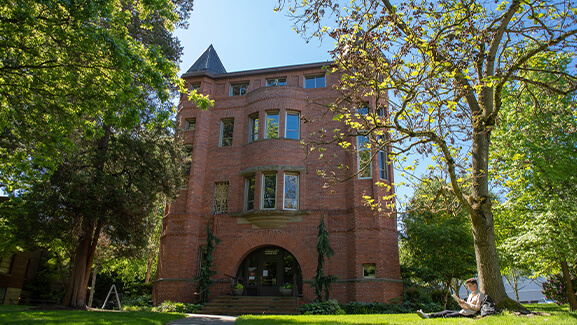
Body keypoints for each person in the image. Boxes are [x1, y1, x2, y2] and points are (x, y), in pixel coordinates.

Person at [416, 278, 485, 319]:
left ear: (475, 284)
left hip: (469, 314)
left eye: (470, 286)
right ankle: (428, 315)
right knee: (445, 311)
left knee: (448, 315)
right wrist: (460, 303)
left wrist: (466, 303)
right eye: (468, 286)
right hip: (463, 311)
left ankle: (429, 316)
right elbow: (466, 305)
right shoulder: (470, 295)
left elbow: (477, 308)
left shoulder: (480, 295)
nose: (469, 288)